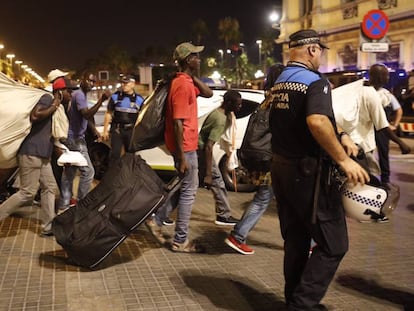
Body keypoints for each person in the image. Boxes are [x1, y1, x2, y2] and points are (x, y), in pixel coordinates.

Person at [269, 29, 369, 310]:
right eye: (321, 51)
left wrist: (343, 134)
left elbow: (318, 118)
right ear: (313, 50)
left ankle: (294, 299)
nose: (322, 56)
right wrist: (343, 159)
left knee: (297, 242)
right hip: (308, 175)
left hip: (281, 171)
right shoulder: (316, 82)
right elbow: (316, 121)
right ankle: (302, 305)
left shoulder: (280, 81)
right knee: (334, 244)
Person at [146, 42, 213, 253]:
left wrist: (191, 75)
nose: (199, 59)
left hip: (186, 146)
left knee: (184, 188)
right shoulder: (182, 86)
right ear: (187, 60)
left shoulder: (184, 81)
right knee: (189, 193)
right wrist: (183, 157)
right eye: (195, 56)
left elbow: (208, 93)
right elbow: (177, 122)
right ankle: (180, 240)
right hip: (186, 147)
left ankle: (157, 220)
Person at [0, 77, 77, 236]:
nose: (71, 94)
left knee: (50, 187)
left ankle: (48, 226)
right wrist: (55, 103)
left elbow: (52, 135)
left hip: (43, 155)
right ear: (60, 92)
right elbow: (35, 116)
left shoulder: (58, 109)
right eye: (69, 91)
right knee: (27, 192)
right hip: (31, 152)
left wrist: (62, 154)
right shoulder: (47, 99)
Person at [224, 63, 284, 255]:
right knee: (265, 200)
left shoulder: (265, 102)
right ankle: (238, 236)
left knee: (268, 199)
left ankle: (238, 235)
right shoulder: (279, 103)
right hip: (274, 161)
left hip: (265, 159)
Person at [58, 73, 111, 211]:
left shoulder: (78, 94)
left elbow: (83, 119)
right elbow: (86, 114)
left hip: (72, 138)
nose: (91, 84)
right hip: (76, 140)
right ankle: (82, 204)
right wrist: (101, 100)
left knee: (69, 173)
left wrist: (94, 130)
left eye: (94, 82)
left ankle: (64, 204)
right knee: (88, 172)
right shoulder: (80, 95)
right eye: (89, 80)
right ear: (82, 80)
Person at [198, 90, 242, 226]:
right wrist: (208, 174)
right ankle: (224, 215)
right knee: (217, 182)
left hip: (197, 150)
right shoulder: (220, 119)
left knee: (185, 185)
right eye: (238, 104)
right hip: (200, 151)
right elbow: (208, 147)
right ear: (229, 103)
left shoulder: (221, 113)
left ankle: (161, 212)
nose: (239, 107)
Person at [371, 63, 410, 187]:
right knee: (366, 154)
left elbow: (398, 110)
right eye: (384, 75)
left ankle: (385, 180)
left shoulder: (386, 95)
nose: (387, 78)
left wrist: (395, 125)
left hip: (383, 130)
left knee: (383, 154)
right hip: (368, 128)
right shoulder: (366, 92)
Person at [102, 74, 144, 164]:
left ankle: (129, 176)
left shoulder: (139, 99)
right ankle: (113, 175)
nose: (123, 85)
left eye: (126, 83)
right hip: (117, 130)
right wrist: (105, 130)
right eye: (122, 83)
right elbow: (108, 113)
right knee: (115, 155)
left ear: (133, 84)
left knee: (131, 155)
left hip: (131, 131)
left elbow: (141, 117)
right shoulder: (115, 97)